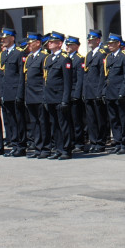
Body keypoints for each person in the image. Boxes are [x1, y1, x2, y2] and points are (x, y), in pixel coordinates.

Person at [42, 31, 74, 159]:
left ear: (59, 44)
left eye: (52, 42)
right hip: (50, 97)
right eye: (49, 42)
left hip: (60, 97)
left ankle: (66, 150)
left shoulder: (64, 59)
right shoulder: (48, 58)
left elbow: (67, 81)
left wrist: (65, 100)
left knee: (64, 124)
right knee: (54, 125)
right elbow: (46, 80)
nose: (49, 44)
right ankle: (58, 149)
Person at [102, 33, 125, 154]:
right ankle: (118, 141)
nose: (109, 46)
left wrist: (123, 93)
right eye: (108, 44)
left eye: (112, 43)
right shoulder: (109, 57)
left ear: (118, 44)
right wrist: (104, 91)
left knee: (124, 119)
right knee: (114, 119)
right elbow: (106, 76)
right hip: (110, 92)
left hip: (120, 93)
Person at [0, 28, 26, 157]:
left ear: (13, 38)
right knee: (10, 120)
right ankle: (14, 144)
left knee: (19, 120)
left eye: (5, 38)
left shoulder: (19, 53)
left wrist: (20, 94)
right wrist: (1, 93)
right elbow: (2, 76)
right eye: (2, 38)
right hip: (6, 92)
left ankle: (21, 146)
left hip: (15, 92)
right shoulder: (3, 54)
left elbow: (21, 75)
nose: (3, 40)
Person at [23, 32, 50, 158]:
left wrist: (44, 95)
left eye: (31, 42)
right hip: (30, 95)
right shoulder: (29, 57)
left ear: (38, 43)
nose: (28, 44)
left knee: (43, 122)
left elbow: (45, 78)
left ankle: (45, 148)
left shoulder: (44, 56)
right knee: (34, 123)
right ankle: (38, 147)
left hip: (39, 94)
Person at [83, 30, 108, 153]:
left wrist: (100, 92)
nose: (89, 41)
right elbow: (86, 75)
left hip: (97, 92)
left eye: (91, 39)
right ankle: (93, 141)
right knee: (91, 119)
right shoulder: (88, 55)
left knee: (100, 119)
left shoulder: (102, 54)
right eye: (88, 39)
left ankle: (100, 142)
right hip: (88, 93)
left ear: (98, 40)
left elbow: (102, 75)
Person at [64, 37, 86, 152]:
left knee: (76, 120)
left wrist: (76, 95)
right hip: (66, 93)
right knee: (68, 120)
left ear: (76, 46)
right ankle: (70, 141)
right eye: (66, 45)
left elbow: (80, 79)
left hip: (74, 93)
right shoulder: (65, 58)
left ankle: (79, 142)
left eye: (70, 45)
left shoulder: (79, 59)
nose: (67, 47)